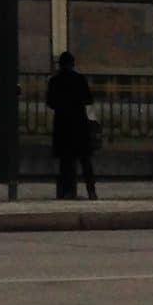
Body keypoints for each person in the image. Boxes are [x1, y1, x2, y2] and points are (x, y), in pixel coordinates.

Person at [46, 49, 97, 201]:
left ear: (60, 65)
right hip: (80, 124)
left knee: (66, 161)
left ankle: (68, 191)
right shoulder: (80, 79)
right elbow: (89, 99)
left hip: (63, 125)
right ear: (73, 64)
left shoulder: (54, 81)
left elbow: (50, 102)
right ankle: (91, 191)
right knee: (85, 160)